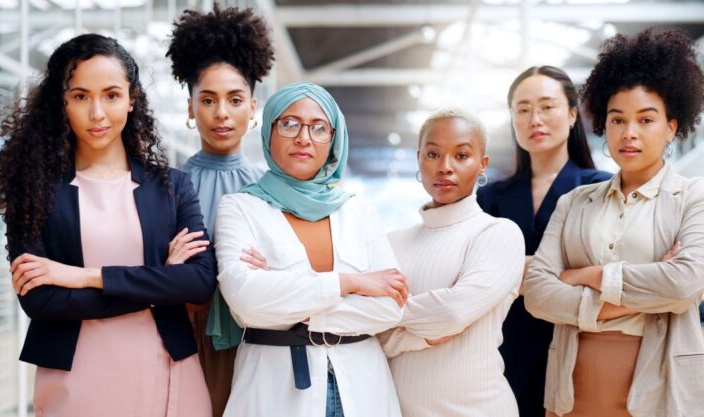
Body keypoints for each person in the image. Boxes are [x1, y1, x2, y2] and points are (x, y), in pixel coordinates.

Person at [0, 34, 215, 417]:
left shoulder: (172, 186)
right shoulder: (33, 191)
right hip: (75, 380)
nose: (97, 113)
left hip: (169, 370)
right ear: (61, 103)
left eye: (111, 95)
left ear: (132, 99)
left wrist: (83, 276)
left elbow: (198, 280)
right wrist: (160, 282)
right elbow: (42, 301)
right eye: (81, 96)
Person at [524, 29, 704, 417]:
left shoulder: (698, 197)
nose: (629, 133)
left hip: (663, 389)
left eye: (646, 119)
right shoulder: (574, 203)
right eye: (617, 120)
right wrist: (648, 296)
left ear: (672, 127)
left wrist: (587, 274)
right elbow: (537, 294)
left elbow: (683, 284)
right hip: (571, 387)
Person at [215, 82, 406, 417]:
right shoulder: (240, 207)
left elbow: (391, 307)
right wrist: (350, 284)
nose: (304, 138)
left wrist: (285, 299)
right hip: (275, 390)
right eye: (289, 124)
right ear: (269, 130)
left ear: (333, 139)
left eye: (318, 128)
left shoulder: (358, 210)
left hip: (361, 388)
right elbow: (245, 300)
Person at [476, 65, 610, 417]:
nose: (535, 118)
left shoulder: (601, 189)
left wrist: (521, 275)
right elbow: (478, 279)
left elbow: (611, 272)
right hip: (504, 353)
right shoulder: (490, 198)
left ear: (570, 114)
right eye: (523, 109)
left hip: (578, 347)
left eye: (547, 106)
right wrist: (570, 272)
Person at [378, 109, 525, 417]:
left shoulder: (497, 233)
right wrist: (418, 336)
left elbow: (453, 311)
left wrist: (380, 316)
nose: (444, 167)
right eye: (433, 154)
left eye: (461, 155)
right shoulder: (391, 242)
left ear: (482, 164)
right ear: (419, 158)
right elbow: (371, 337)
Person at [165, 3, 272, 414]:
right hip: (184, 340)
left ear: (252, 107)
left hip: (258, 340)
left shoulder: (270, 189)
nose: (222, 113)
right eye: (207, 100)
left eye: (234, 99)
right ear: (190, 108)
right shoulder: (167, 187)